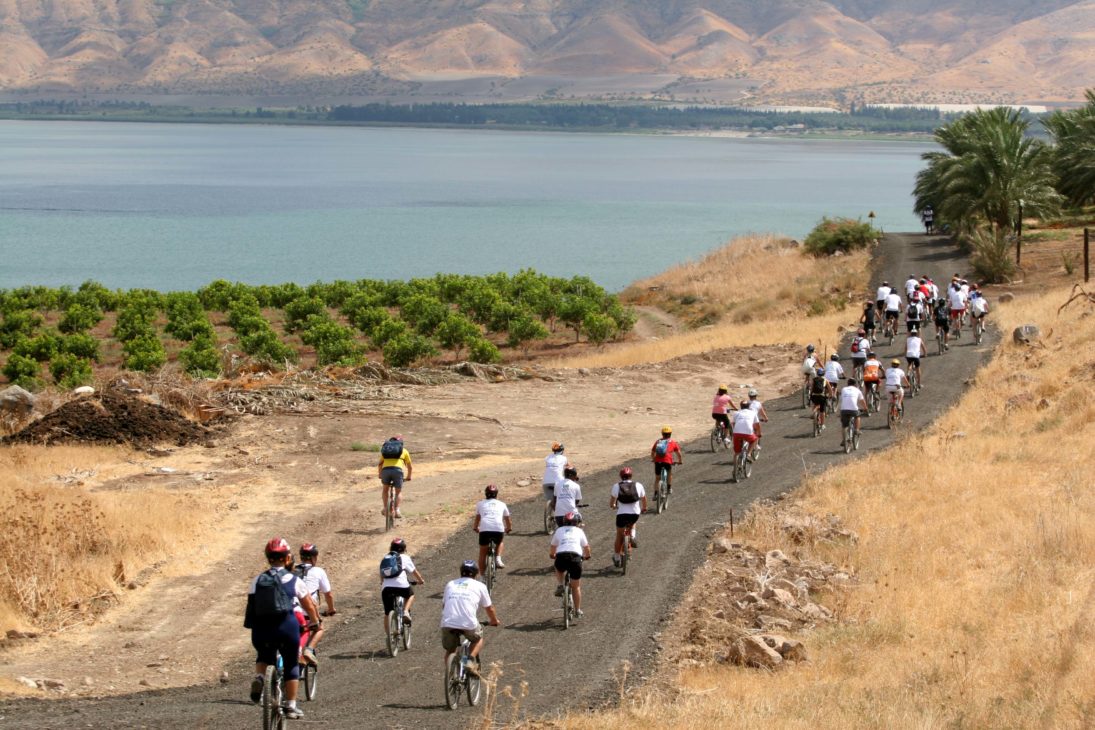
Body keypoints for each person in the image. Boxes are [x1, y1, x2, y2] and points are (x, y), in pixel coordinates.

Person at [245, 537, 322, 719]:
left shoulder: (257, 580)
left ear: (267, 557)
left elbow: (251, 608)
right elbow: (309, 605)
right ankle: (291, 705)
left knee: (263, 655)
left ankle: (261, 678)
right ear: (287, 558)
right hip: (286, 627)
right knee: (291, 663)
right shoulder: (293, 579)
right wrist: (314, 622)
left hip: (261, 630)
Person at [441, 561, 499, 677]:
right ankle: (469, 661)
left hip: (447, 622)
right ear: (476, 574)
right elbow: (490, 608)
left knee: (450, 650)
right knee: (478, 638)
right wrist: (494, 621)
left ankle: (451, 675)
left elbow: (444, 605)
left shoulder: (450, 584)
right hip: (468, 623)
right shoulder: (480, 586)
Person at [293, 543, 335, 666]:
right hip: (308, 610)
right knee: (319, 628)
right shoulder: (318, 571)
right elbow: (328, 594)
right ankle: (309, 650)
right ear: (314, 557)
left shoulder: (292, 570)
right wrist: (331, 609)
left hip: (291, 609)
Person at [550, 511, 591, 618]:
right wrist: (587, 556)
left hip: (561, 557)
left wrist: (552, 555)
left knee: (558, 568)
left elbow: (553, 547)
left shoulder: (559, 530)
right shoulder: (579, 531)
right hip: (575, 558)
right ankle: (577, 610)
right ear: (577, 522)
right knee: (576, 587)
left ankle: (560, 585)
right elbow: (586, 547)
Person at [381, 537, 425, 637]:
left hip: (386, 588)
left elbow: (381, 574)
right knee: (410, 595)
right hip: (401, 585)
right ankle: (405, 611)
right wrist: (420, 581)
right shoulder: (405, 557)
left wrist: (382, 583)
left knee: (387, 613)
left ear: (391, 548)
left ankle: (389, 636)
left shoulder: (386, 558)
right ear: (404, 548)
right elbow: (415, 572)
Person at [609, 467, 646, 567]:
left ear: (621, 476)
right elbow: (643, 499)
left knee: (619, 536)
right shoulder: (638, 485)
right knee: (632, 524)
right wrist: (644, 508)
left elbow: (612, 502)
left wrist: (613, 506)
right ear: (631, 475)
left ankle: (617, 557)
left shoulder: (616, 486)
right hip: (635, 514)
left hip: (621, 514)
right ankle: (633, 536)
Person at [474, 484, 512, 573]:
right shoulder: (502, 504)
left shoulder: (480, 504)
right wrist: (509, 528)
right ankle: (498, 558)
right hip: (498, 528)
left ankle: (483, 577)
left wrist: (475, 527)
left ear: (486, 493)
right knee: (500, 542)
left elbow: (477, 518)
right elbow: (508, 519)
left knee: (483, 553)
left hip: (484, 529)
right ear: (496, 494)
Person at [378, 434, 412, 519]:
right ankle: (397, 510)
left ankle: (385, 509)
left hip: (385, 471)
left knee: (385, 490)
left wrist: (380, 474)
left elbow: (379, 464)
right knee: (398, 492)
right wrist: (408, 476)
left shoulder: (386, 450)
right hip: (397, 471)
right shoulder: (404, 451)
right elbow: (409, 467)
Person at [650, 425, 683, 493]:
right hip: (667, 461)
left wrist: (654, 459)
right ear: (670, 434)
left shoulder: (658, 442)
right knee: (669, 474)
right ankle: (669, 488)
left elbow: (652, 453)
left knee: (657, 479)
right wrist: (680, 461)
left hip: (658, 461)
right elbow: (679, 454)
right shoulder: (673, 442)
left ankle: (655, 494)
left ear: (662, 434)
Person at [838, 378, 867, 446]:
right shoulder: (857, 390)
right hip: (853, 409)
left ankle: (844, 439)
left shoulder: (844, 389)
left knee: (844, 425)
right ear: (855, 384)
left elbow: (842, 399)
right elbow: (862, 401)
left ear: (848, 384)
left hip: (844, 410)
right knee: (857, 416)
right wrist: (865, 408)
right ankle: (856, 429)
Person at [542, 442, 567, 506]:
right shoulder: (563, 458)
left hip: (546, 482)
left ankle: (551, 508)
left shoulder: (548, 457)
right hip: (558, 482)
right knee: (565, 496)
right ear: (562, 450)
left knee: (550, 500)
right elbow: (569, 467)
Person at [746, 388, 769, 454]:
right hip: (753, 420)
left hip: (745, 420)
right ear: (756, 396)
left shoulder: (746, 403)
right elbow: (762, 413)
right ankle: (756, 445)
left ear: (749, 396)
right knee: (757, 432)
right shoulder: (758, 403)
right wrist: (766, 418)